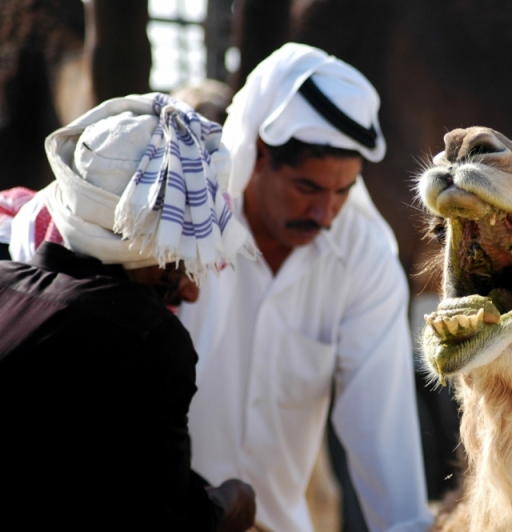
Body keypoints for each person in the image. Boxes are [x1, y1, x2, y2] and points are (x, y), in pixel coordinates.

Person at [178, 43, 432, 532]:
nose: (324, 214)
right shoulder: (188, 234)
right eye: (307, 189)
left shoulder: (363, 257)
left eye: (342, 192)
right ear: (257, 155)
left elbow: (381, 428)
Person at [0, 93, 258, 531]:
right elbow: (174, 522)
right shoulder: (147, 340)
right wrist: (236, 500)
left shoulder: (5, 282)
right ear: (141, 250)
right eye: (180, 264)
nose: (191, 293)